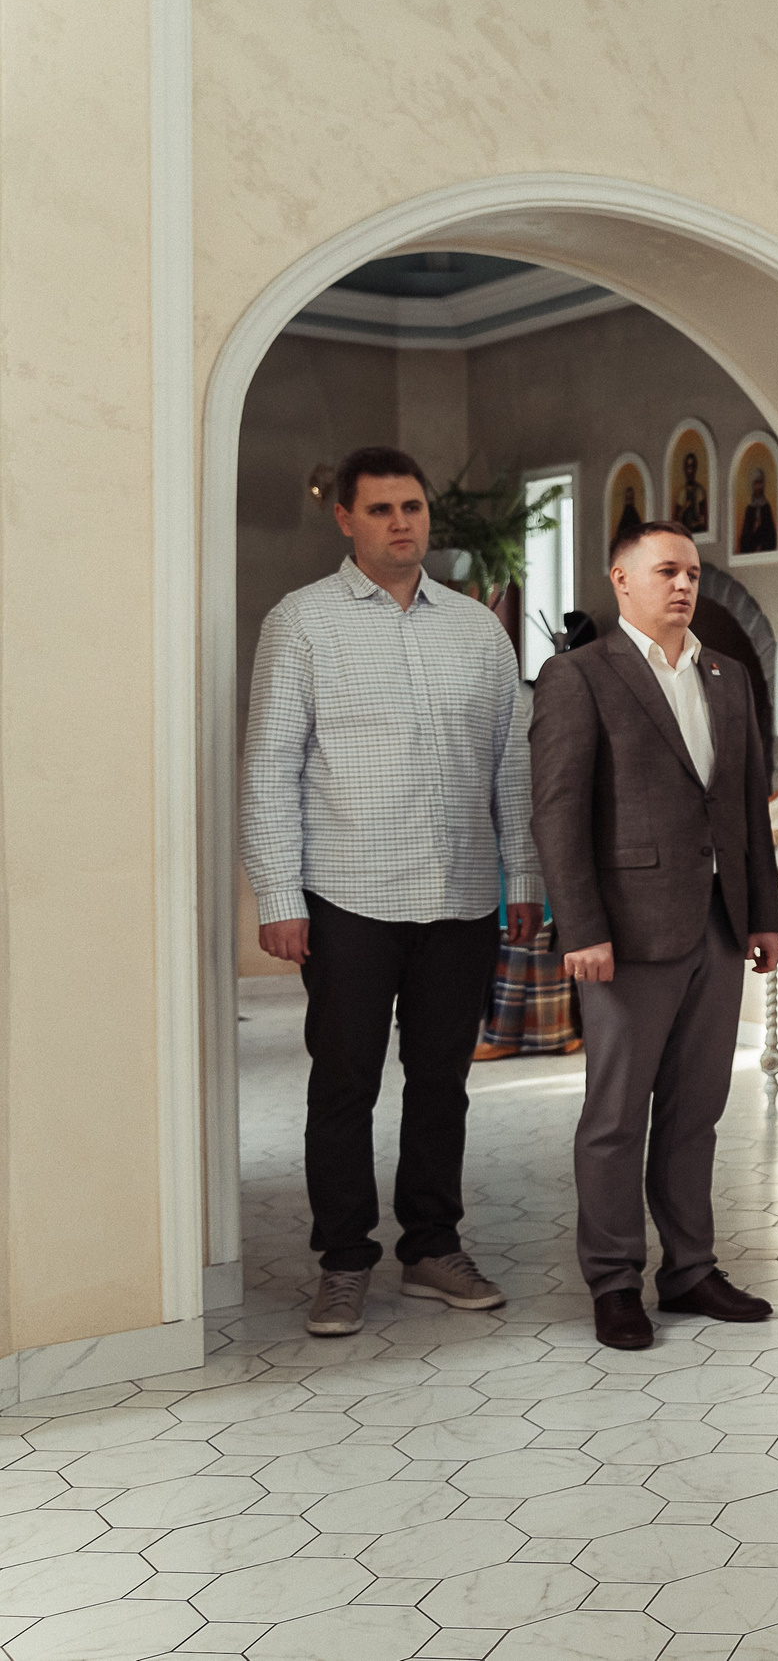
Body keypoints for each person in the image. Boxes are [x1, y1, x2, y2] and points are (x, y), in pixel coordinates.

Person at [244, 445, 541, 1338]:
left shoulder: (477, 629)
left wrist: (522, 876)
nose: (401, 522)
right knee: (344, 1083)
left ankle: (431, 1245)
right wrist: (278, 895)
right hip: (348, 895)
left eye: (411, 506)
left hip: (460, 895)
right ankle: (342, 1259)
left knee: (441, 1081)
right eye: (380, 509)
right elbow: (269, 765)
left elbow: (513, 763)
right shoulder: (300, 623)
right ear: (345, 518)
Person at [529, 518, 778, 1351]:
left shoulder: (726, 677)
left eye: (694, 571)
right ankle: (613, 1280)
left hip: (717, 923)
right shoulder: (578, 676)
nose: (685, 585)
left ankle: (689, 1267)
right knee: (615, 1113)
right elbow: (559, 811)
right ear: (621, 579)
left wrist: (764, 913)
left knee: (696, 1110)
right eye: (667, 570)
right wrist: (583, 926)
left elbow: (748, 804)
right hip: (625, 932)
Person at [736, 468, 778, 555]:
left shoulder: (766, 506)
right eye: (756, 483)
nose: (758, 486)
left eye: (760, 483)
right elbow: (746, 532)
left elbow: (770, 532)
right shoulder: (749, 508)